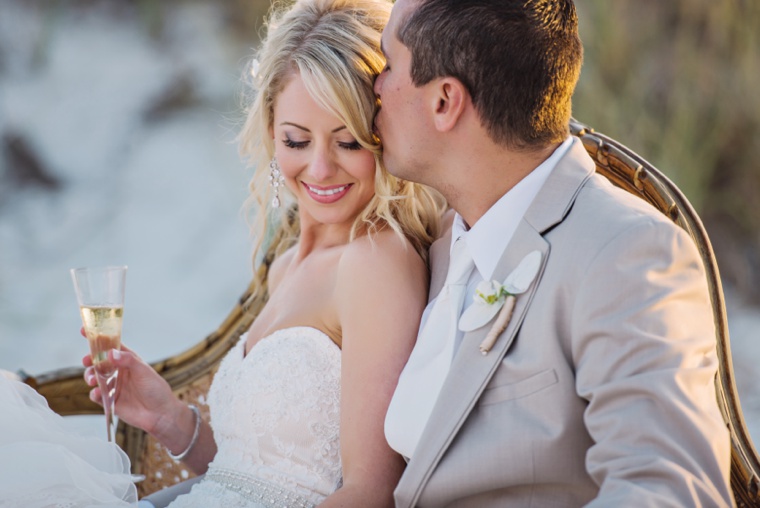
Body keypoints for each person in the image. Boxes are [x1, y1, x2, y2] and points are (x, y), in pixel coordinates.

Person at [0, 0, 444, 507]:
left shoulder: (374, 263)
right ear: (271, 130)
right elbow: (254, 478)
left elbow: (370, 494)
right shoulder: (284, 263)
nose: (320, 169)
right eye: (296, 140)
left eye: (348, 143)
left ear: (382, 135)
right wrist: (167, 416)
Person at [374, 0, 734, 506]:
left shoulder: (626, 253)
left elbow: (669, 489)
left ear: (444, 101)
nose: (375, 85)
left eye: (388, 64)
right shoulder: (431, 242)